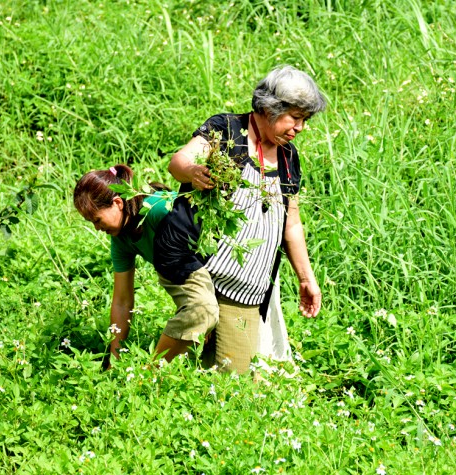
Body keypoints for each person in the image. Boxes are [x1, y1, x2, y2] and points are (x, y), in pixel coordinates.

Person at [164, 65, 326, 373]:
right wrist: (193, 172)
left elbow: (290, 223)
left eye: (305, 119)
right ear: (269, 108)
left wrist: (306, 279)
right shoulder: (226, 131)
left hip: (247, 290)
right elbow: (180, 161)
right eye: (294, 117)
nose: (300, 127)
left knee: (231, 381)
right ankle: (146, 378)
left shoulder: (289, 159)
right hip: (204, 275)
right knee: (189, 359)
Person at [73, 165, 219, 370]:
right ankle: (154, 376)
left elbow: (210, 245)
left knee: (203, 314)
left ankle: (150, 373)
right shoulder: (120, 240)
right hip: (186, 280)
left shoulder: (159, 210)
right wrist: (114, 359)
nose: (97, 228)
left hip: (216, 268)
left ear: (117, 203)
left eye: (97, 220)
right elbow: (122, 301)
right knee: (202, 327)